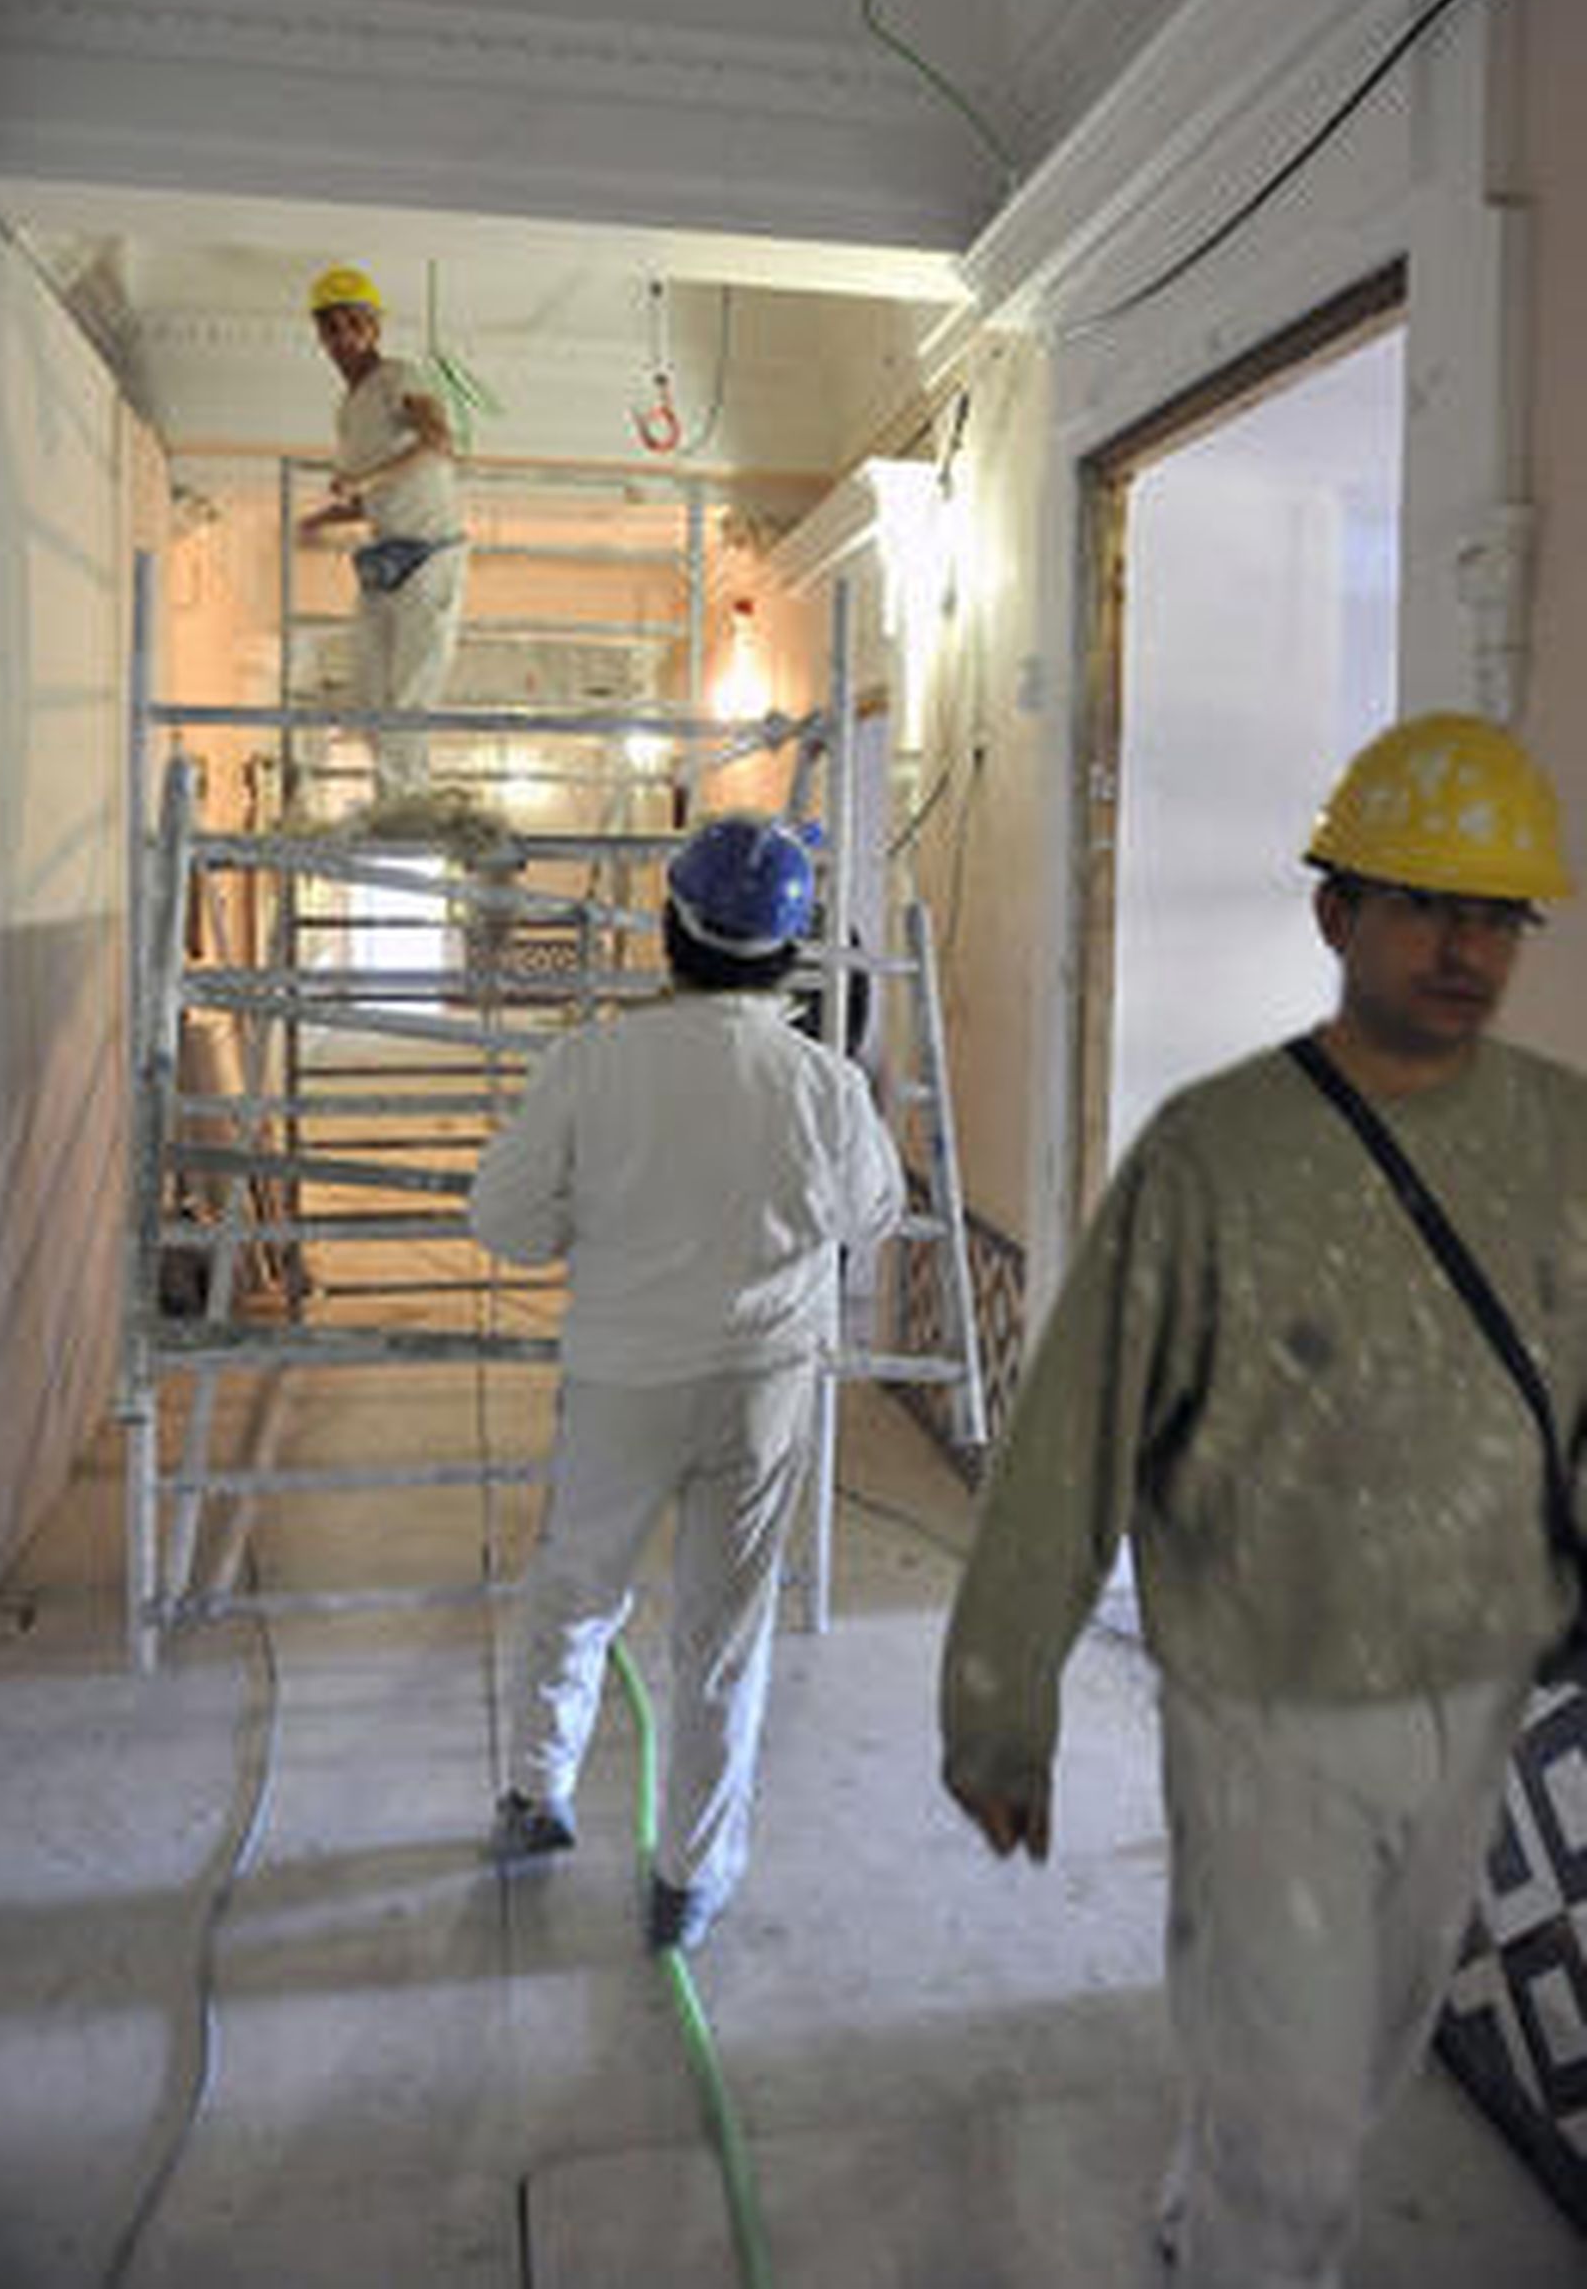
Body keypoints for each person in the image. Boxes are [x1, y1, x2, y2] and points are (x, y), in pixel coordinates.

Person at [939, 711, 1587, 2288]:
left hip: (1482, 1678)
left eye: (1499, 915)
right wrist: (999, 1703)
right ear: (1334, 913)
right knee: (1295, 2135)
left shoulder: (1567, 1133)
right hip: (1269, 1701)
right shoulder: (1212, 1153)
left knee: (1357, 2052)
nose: (1467, 949)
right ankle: (1246, 2221)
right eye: (1428, 904)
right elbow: (1071, 1436)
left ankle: (1223, 2180)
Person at [469, 812, 904, 1950]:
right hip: (762, 1387)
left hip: (619, 1378)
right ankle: (688, 1879)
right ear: (789, 954)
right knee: (723, 1630)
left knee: (578, 1581)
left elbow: (503, 1221)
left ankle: (534, 1791)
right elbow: (872, 1214)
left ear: (669, 928)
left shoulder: (592, 1065)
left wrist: (592, 1211)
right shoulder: (824, 1083)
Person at [298, 264, 469, 810]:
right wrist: (324, 520)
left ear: (373, 329)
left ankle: (405, 808)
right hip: (387, 555)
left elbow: (439, 439)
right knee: (369, 693)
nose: (342, 339)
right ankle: (394, 799)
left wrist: (363, 480)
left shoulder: (400, 376)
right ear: (320, 336)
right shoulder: (349, 409)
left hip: (433, 553)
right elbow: (376, 495)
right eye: (331, 328)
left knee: (410, 692)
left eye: (353, 325)